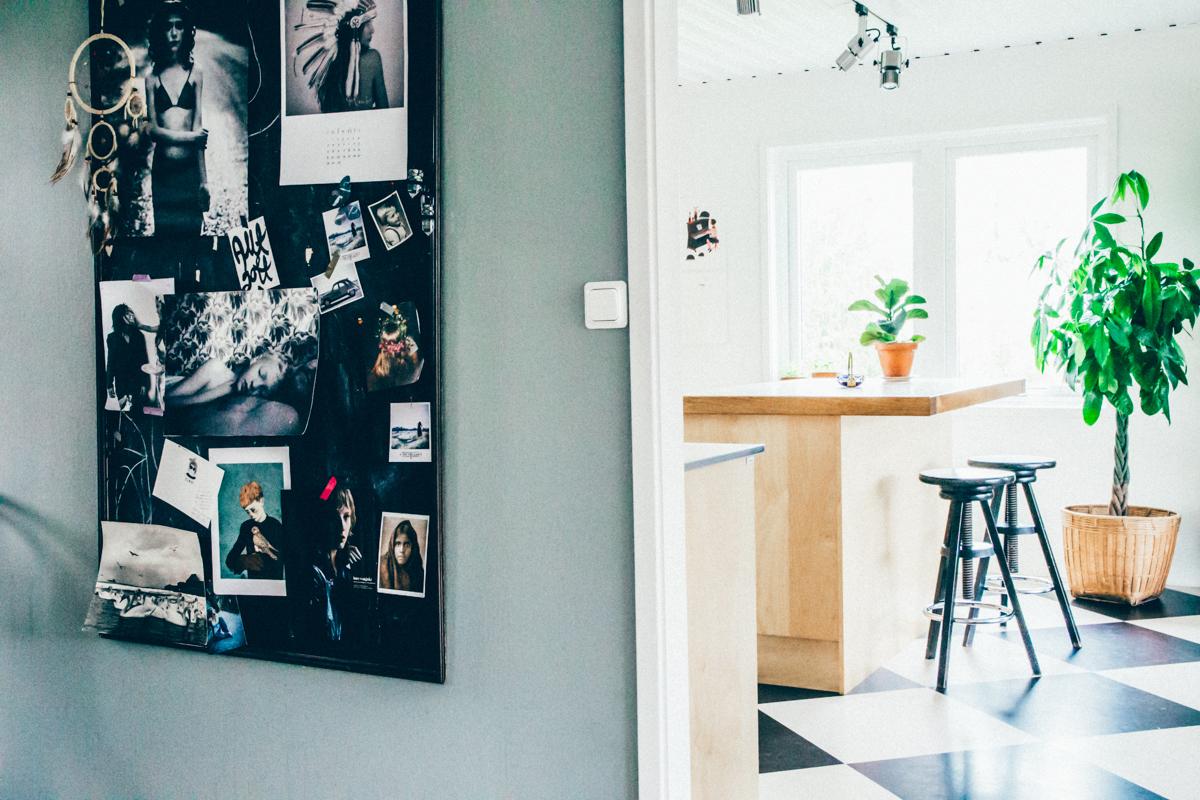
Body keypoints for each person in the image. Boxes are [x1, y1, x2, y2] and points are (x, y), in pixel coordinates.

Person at [146, 0, 209, 236]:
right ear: (160, 32)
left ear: (187, 30)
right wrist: (191, 137)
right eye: (168, 27)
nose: (174, 33)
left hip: (189, 172)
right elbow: (153, 131)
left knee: (193, 236)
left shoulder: (196, 74)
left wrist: (204, 182)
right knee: (164, 237)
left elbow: (198, 127)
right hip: (163, 172)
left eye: (179, 26)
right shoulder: (151, 79)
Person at [309, 487, 363, 642]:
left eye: (346, 517)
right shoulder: (313, 568)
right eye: (334, 518)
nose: (342, 526)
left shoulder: (348, 562)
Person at [313, 4, 388, 113]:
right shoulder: (330, 65)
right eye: (367, 24)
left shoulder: (372, 59)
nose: (372, 30)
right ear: (353, 26)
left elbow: (385, 113)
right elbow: (384, 111)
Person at [224, 481, 285, 581]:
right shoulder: (246, 527)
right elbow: (230, 560)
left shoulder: (276, 525)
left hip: (274, 585)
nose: (251, 515)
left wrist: (263, 560)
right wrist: (244, 561)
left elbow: (283, 559)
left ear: (261, 501)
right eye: (247, 512)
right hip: (253, 586)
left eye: (253, 509)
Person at [106, 304, 155, 409]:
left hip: (138, 382)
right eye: (127, 313)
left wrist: (145, 384)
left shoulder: (139, 336)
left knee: (139, 412)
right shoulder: (112, 338)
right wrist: (109, 384)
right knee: (125, 414)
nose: (131, 315)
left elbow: (144, 361)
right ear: (120, 317)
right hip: (121, 383)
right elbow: (111, 362)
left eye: (131, 312)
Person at [379, 519, 424, 594]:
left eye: (406, 545)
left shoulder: (418, 570)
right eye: (398, 544)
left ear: (413, 548)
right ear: (392, 546)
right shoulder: (381, 566)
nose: (402, 550)